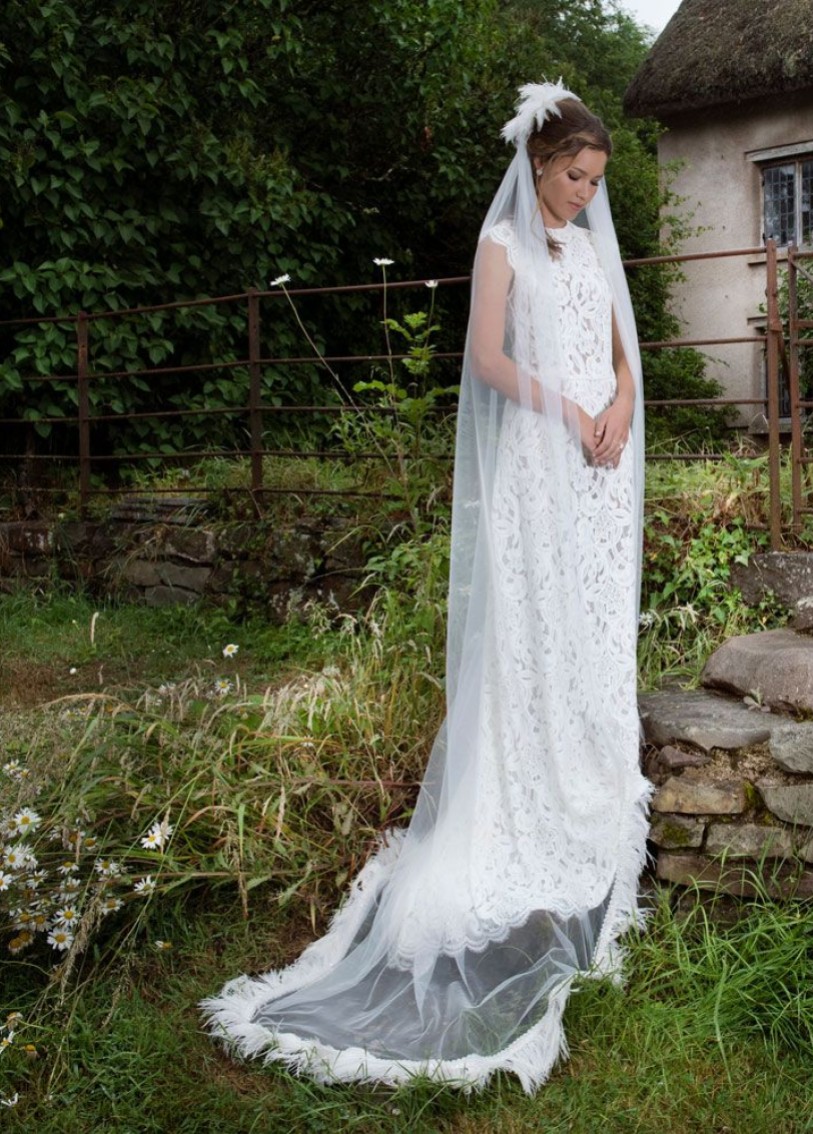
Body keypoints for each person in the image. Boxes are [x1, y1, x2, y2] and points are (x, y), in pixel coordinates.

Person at [201, 81, 651, 1095]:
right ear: (538, 163)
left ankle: (592, 776)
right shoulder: (503, 250)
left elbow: (625, 349)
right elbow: (487, 359)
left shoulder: (588, 249)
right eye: (575, 176)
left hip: (600, 468)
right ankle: (527, 794)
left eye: (594, 182)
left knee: (588, 621)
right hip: (542, 459)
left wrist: (619, 398)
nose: (585, 195)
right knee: (534, 624)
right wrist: (566, 404)